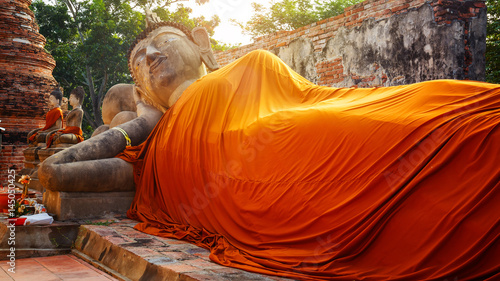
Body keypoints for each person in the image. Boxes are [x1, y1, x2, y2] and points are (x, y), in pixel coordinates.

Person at [40, 20, 500, 280]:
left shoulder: (238, 66)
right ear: (140, 90)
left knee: (430, 104)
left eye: (163, 42)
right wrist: (138, 120)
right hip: (263, 147)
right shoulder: (155, 125)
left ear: (201, 47)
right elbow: (60, 168)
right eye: (140, 59)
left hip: (301, 111)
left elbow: (302, 96)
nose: (152, 55)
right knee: (435, 141)